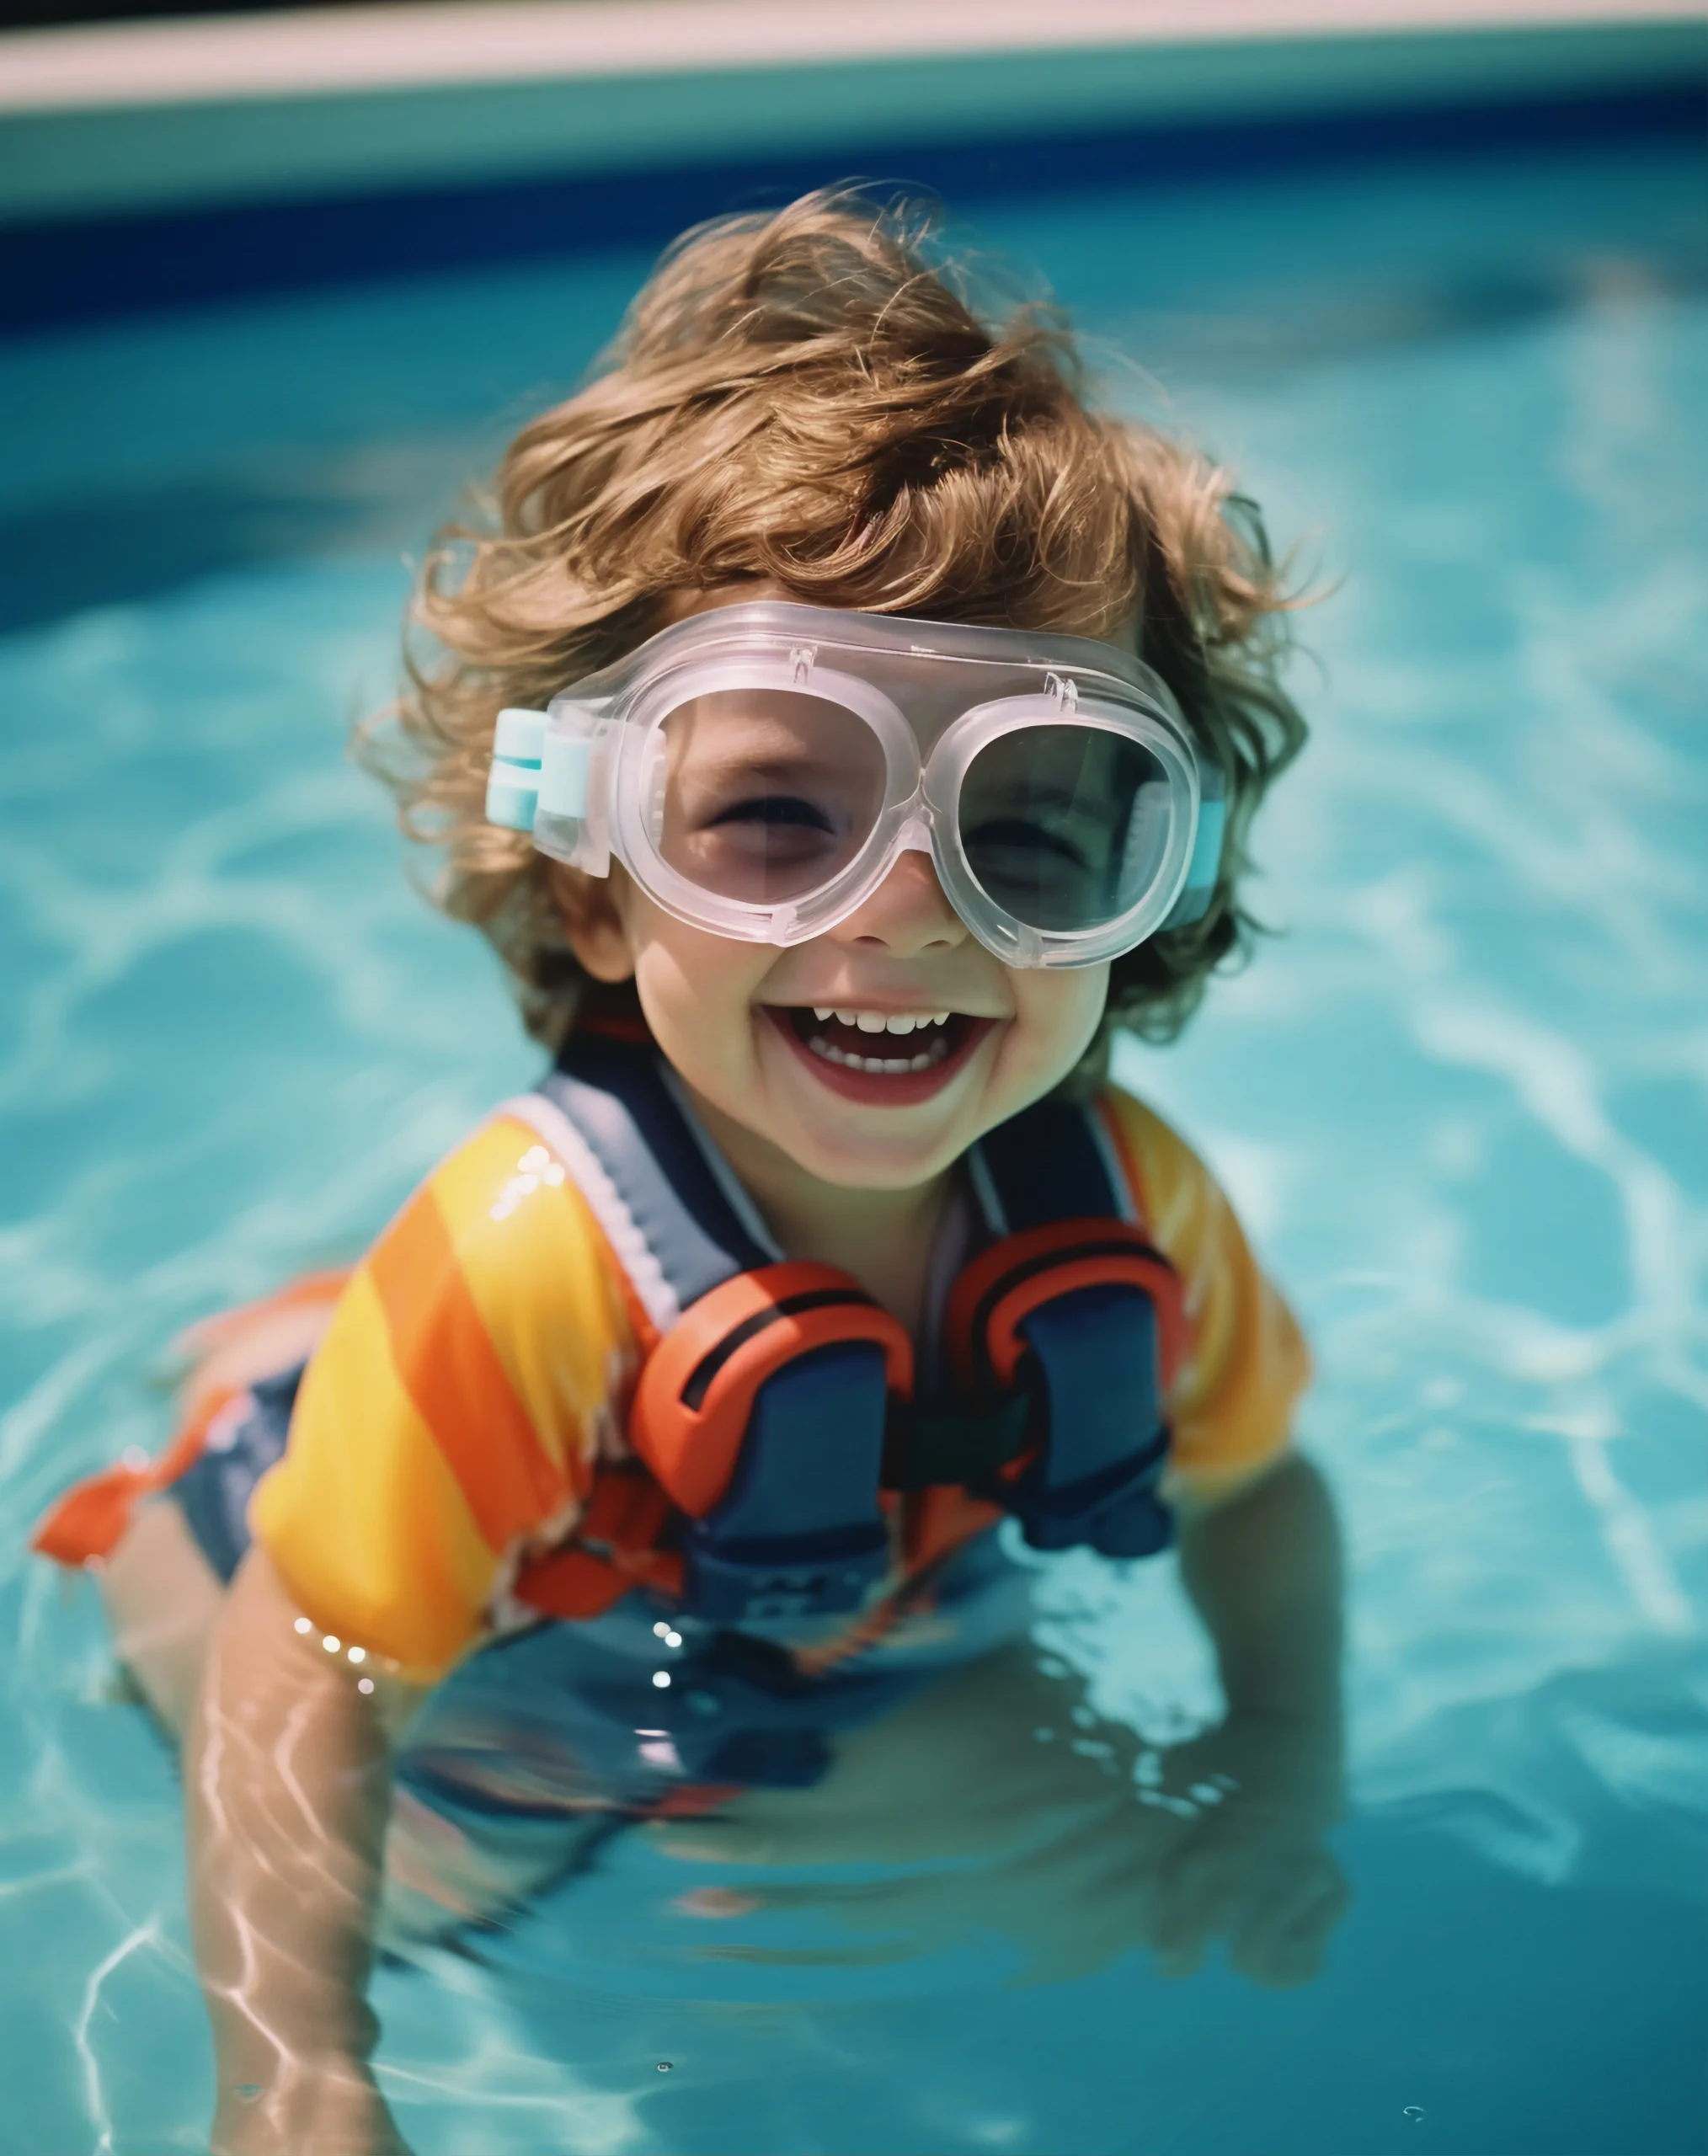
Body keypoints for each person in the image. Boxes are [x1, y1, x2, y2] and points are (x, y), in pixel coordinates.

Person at [34, 191, 1344, 2156]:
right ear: (596, 876)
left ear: (1150, 888)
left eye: (1029, 828)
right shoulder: (523, 1254)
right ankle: (256, 1386)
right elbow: (310, 1664)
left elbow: (1260, 1490)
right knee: (445, 1886)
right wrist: (294, 2068)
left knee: (1084, 1877)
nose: (906, 908)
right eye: (775, 813)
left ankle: (321, 1355)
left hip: (773, 1594)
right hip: (335, 1579)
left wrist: (1277, 1765)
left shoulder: (1134, 1207)